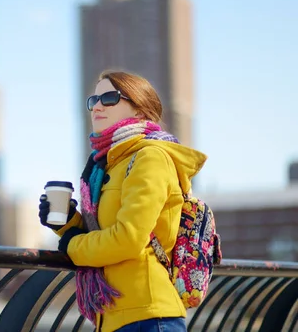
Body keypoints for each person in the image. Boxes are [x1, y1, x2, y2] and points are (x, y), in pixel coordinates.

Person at [38, 70, 207, 332]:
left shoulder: (150, 157)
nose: (97, 107)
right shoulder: (107, 166)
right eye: (93, 101)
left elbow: (127, 239)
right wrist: (67, 223)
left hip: (149, 317)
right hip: (116, 317)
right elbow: (105, 234)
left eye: (109, 97)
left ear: (140, 109)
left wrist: (72, 244)